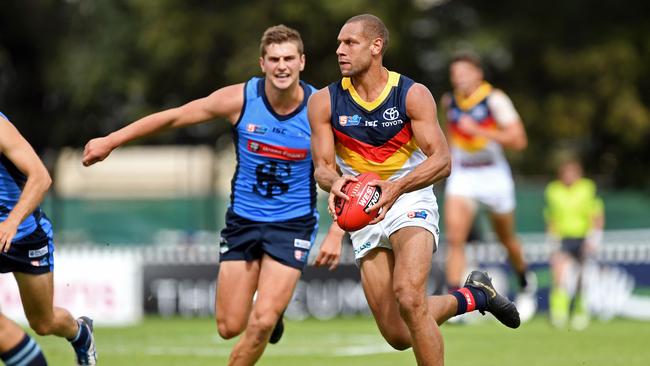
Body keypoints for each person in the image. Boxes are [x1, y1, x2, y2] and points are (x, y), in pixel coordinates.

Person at [82, 25, 318, 365]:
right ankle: (272, 311)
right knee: (228, 326)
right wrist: (111, 140)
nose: (282, 66)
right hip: (244, 222)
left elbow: (345, 168)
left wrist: (338, 229)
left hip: (292, 224)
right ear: (262, 63)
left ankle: (270, 312)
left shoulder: (319, 109)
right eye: (274, 59)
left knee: (261, 320)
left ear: (302, 62)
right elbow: (175, 116)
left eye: (289, 59)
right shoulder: (240, 99)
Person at [309, 14, 520, 365]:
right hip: (363, 210)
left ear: (376, 47)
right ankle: (475, 296)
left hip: (409, 197)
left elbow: (442, 161)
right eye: (339, 43)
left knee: (409, 296)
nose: (340, 50)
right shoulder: (324, 102)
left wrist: (396, 187)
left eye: (350, 43)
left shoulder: (411, 94)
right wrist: (336, 182)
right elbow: (322, 167)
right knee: (397, 334)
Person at [441, 53, 537, 322]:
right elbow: (451, 137)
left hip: (493, 174)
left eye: (464, 72)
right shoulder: (450, 101)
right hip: (463, 175)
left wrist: (481, 132)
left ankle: (525, 281)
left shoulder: (495, 99)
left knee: (506, 238)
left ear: (478, 74)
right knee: (455, 238)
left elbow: (518, 140)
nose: (458, 77)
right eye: (454, 73)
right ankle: (453, 303)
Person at [0, 112, 96, 366]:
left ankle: (80, 333)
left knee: (43, 323)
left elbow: (42, 178)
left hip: (25, 236)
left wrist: (11, 222)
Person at [544, 157, 604, 329]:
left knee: (582, 276)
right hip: (563, 238)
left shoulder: (587, 188)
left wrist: (594, 237)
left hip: (583, 237)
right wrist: (552, 240)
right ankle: (558, 313)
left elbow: (596, 214)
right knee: (559, 274)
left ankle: (580, 311)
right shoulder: (553, 190)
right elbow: (551, 216)